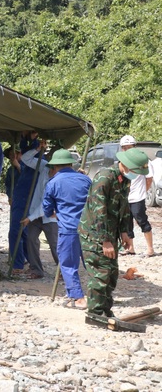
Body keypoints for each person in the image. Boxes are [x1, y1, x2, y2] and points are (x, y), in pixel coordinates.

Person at [78, 147, 149, 317]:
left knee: (112, 273)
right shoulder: (105, 178)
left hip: (110, 233)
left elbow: (124, 207)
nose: (137, 175)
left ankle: (105, 310)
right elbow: (98, 211)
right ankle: (95, 313)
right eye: (136, 171)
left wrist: (125, 232)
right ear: (125, 164)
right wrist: (105, 240)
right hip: (95, 235)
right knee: (101, 273)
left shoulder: (124, 179)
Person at [43, 149, 92, 309]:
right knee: (92, 263)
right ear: (71, 164)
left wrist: (59, 214)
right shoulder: (85, 180)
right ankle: (99, 294)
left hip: (68, 229)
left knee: (68, 264)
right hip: (89, 228)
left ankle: (78, 298)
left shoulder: (52, 184)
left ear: (55, 167)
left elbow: (47, 211)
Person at [19, 139, 57, 279]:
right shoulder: (44, 167)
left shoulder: (60, 180)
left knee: (54, 244)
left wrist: (30, 217)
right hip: (36, 212)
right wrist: (37, 149)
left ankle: (63, 271)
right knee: (31, 239)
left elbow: (46, 205)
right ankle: (36, 269)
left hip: (49, 215)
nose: (53, 170)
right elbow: (25, 159)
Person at [119, 135, 156, 257]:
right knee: (126, 222)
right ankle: (130, 248)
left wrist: (143, 192)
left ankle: (150, 249)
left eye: (129, 147)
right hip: (125, 197)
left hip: (137, 197)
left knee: (142, 221)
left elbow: (149, 178)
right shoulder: (122, 161)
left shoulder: (143, 161)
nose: (127, 150)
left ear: (134, 147)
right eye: (125, 148)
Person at [8, 132, 40, 273]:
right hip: (21, 199)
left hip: (24, 200)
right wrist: (25, 139)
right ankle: (30, 262)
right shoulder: (27, 163)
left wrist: (33, 141)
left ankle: (18, 264)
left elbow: (28, 153)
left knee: (16, 232)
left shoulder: (35, 161)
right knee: (24, 233)